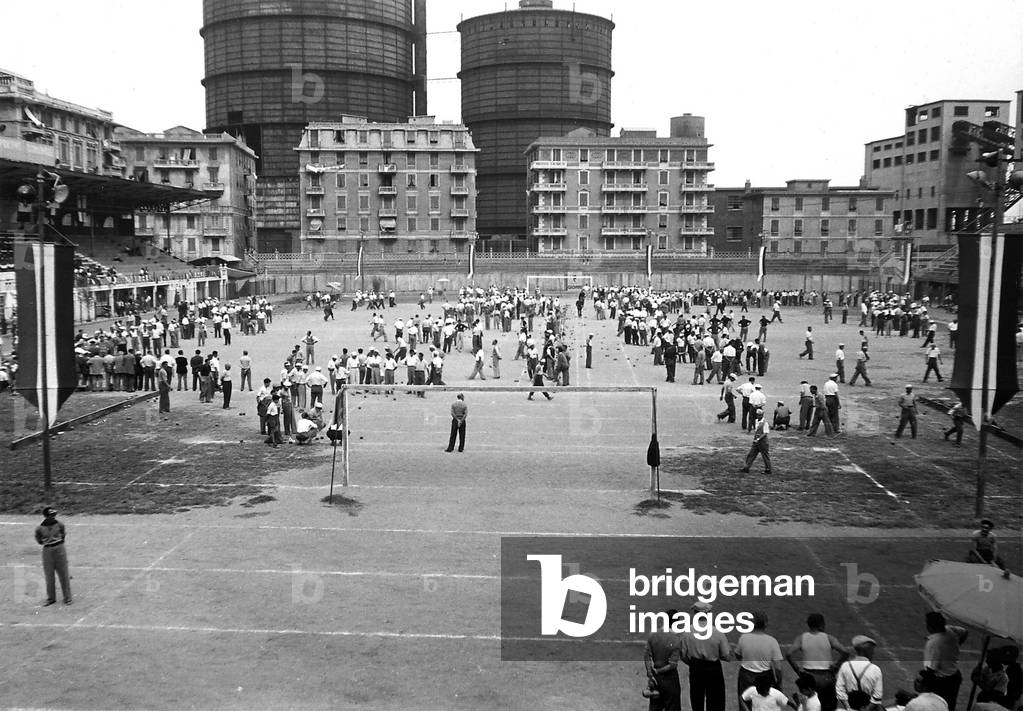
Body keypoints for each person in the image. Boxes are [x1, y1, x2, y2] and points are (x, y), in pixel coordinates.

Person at [786, 613, 849, 711]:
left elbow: (789, 654)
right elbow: (845, 652)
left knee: (809, 706)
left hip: (809, 678)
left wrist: (798, 670)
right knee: (829, 707)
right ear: (822, 625)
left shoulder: (802, 638)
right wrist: (836, 666)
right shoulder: (829, 638)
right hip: (826, 678)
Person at [682, 601, 732, 711]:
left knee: (696, 699)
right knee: (716, 700)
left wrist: (692, 663)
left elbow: (683, 655)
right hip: (713, 668)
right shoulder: (717, 632)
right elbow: (726, 656)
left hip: (696, 667)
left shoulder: (687, 631)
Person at [734, 610, 784, 709]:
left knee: (745, 703)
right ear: (765, 624)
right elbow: (778, 668)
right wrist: (779, 683)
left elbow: (738, 655)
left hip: (746, 676)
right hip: (765, 676)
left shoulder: (743, 638)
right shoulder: (772, 641)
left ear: (752, 623)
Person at [922, 612, 968, 711]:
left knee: (936, 706)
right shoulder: (950, 630)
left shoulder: (934, 643)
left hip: (942, 681)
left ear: (931, 626)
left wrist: (925, 684)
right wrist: (956, 645)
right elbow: (965, 632)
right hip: (954, 676)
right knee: (950, 705)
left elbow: (931, 669)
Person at [645, 609, 683, 711]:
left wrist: (650, 673)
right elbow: (672, 665)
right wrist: (658, 671)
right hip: (670, 680)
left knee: (655, 707)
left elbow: (647, 656)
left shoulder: (652, 635)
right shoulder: (676, 639)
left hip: (656, 680)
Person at [35, 506, 72, 606]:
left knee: (63, 573)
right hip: (47, 550)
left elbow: (63, 535)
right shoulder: (39, 528)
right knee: (49, 575)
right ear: (46, 516)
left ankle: (67, 597)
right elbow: (39, 540)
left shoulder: (60, 524)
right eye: (51, 515)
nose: (53, 517)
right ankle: (51, 598)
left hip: (59, 548)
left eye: (53, 515)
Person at [835, 636, 884, 711]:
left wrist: (848, 707)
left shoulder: (845, 666)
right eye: (871, 650)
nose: (873, 653)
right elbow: (877, 696)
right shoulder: (875, 669)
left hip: (851, 706)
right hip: (868, 707)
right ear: (866, 651)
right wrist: (867, 709)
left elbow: (839, 690)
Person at [739, 409, 772, 474]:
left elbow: (765, 433)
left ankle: (768, 469)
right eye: (758, 415)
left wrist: (758, 439)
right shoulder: (756, 421)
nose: (759, 416)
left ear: (762, 415)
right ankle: (746, 468)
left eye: (760, 415)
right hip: (757, 441)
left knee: (765, 456)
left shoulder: (765, 423)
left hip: (763, 442)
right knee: (751, 454)